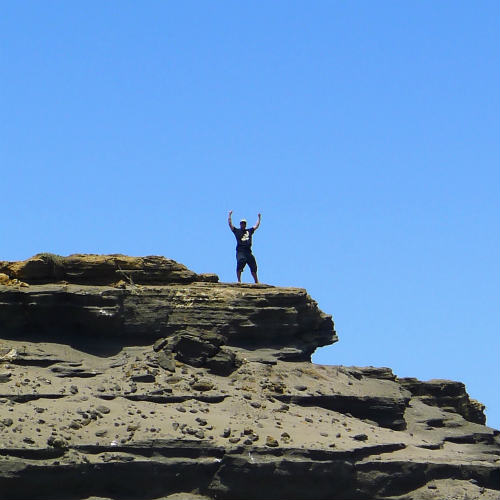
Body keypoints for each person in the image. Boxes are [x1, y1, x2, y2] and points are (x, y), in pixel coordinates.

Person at [228, 210, 261, 283]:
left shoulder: (249, 231)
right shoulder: (237, 231)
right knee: (241, 261)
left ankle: (256, 281)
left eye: (244, 223)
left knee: (253, 266)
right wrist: (229, 215)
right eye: (242, 223)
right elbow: (230, 224)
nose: (243, 224)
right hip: (240, 251)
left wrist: (259, 218)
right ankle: (239, 280)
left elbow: (256, 226)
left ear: (245, 224)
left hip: (248, 251)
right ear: (240, 224)